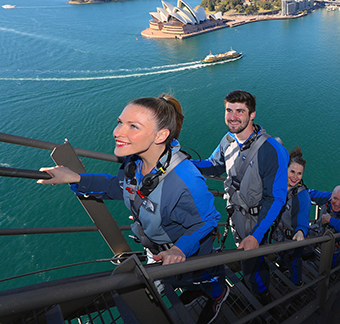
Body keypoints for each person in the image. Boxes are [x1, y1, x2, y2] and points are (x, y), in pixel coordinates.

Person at [37, 95, 228, 324]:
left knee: (205, 278)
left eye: (133, 126)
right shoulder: (134, 163)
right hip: (155, 245)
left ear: (161, 135)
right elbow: (119, 186)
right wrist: (77, 178)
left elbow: (207, 221)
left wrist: (180, 249)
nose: (118, 132)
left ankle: (218, 295)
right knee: (179, 279)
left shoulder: (187, 179)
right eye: (120, 122)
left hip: (187, 252)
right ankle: (195, 289)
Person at [192, 90, 289, 302]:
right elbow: (215, 165)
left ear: (252, 114)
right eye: (229, 110)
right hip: (235, 214)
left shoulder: (272, 150)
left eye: (240, 111)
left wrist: (257, 235)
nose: (233, 116)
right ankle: (252, 285)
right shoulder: (227, 140)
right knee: (244, 259)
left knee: (252, 263)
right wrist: (185, 164)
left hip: (256, 221)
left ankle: (263, 298)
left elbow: (276, 198)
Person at [271, 147, 311, 286]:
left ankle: (296, 285)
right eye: (292, 171)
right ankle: (282, 270)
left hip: (293, 239)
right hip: (278, 235)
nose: (295, 176)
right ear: (286, 170)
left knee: (294, 262)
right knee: (281, 258)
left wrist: (301, 231)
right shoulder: (278, 186)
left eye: (299, 173)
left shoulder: (302, 195)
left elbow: (303, 218)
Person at [308, 185, 340, 265]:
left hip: (333, 246)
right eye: (335, 198)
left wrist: (331, 220)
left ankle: (330, 272)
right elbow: (309, 193)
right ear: (331, 196)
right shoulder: (326, 198)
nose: (337, 203)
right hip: (320, 235)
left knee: (332, 263)